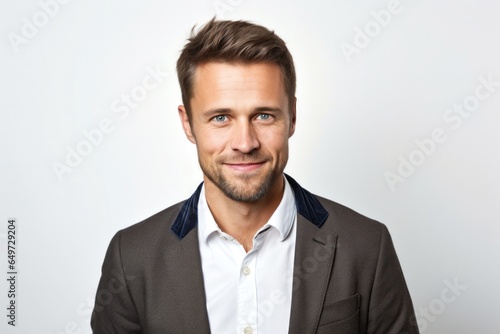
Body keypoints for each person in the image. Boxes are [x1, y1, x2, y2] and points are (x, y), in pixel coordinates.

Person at [91, 18, 419, 334]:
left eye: (264, 115)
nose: (245, 143)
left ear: (292, 117)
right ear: (188, 124)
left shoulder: (366, 246)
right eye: (221, 118)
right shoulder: (131, 257)